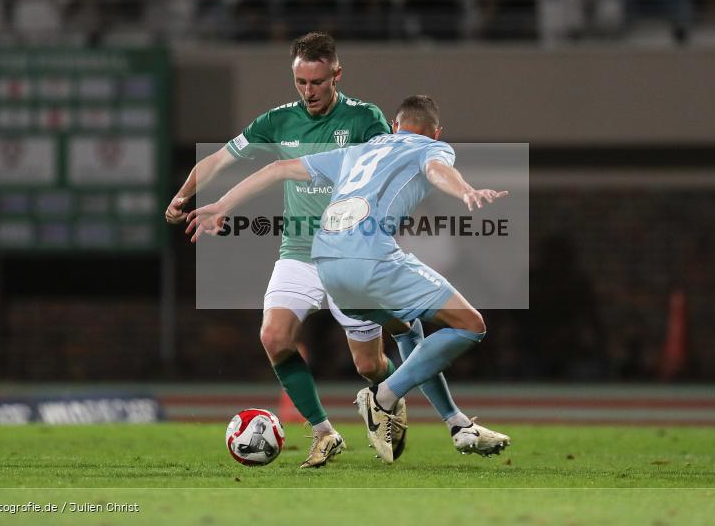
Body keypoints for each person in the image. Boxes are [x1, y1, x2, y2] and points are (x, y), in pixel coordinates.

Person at [186, 95, 512, 463]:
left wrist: (221, 205)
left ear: (393, 125)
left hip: (326, 260)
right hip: (371, 259)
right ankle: (383, 397)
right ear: (437, 132)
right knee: (471, 324)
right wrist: (466, 190)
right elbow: (438, 168)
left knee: (406, 330)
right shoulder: (432, 147)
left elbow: (277, 170)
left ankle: (458, 424)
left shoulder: (361, 150)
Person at [166, 32, 397, 468]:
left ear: (336, 75)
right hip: (299, 251)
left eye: (317, 82)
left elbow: (388, 173)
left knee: (368, 366)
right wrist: (183, 196)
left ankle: (389, 396)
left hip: (352, 254)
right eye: (301, 82)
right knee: (273, 337)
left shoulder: (366, 119)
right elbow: (217, 161)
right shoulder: (278, 121)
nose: (308, 92)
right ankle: (324, 433)